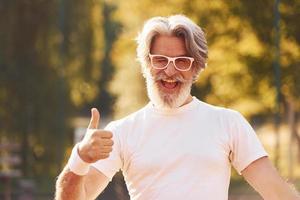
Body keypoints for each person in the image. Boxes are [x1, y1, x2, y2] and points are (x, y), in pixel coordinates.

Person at [55, 15, 299, 200]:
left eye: (182, 61)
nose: (170, 71)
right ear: (146, 65)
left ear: (196, 67)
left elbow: (278, 192)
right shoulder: (121, 131)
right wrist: (80, 158)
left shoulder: (228, 123)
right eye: (160, 60)